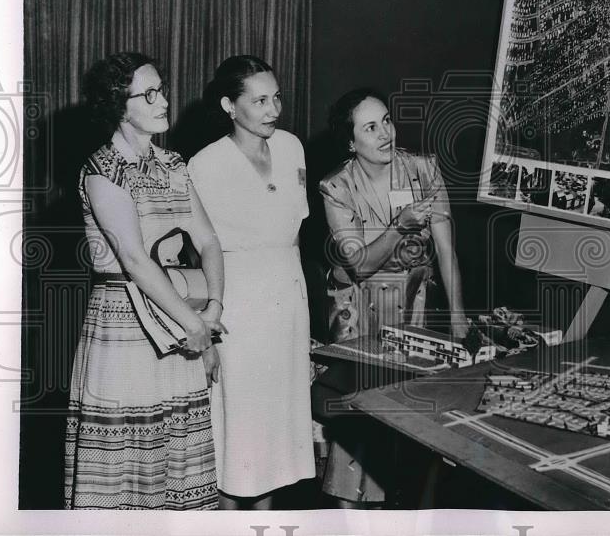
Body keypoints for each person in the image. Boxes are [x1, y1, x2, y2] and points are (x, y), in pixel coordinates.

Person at [65, 52, 226, 510]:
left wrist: (212, 310)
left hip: (178, 318)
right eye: (149, 94)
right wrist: (195, 327)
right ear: (119, 105)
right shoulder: (103, 170)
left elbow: (210, 241)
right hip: (124, 326)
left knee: (178, 461)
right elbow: (134, 260)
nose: (164, 101)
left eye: (162, 90)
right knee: (126, 468)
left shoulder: (174, 163)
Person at [319, 87, 469, 506]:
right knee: (360, 416)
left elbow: (446, 249)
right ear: (351, 142)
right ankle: (347, 515)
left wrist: (459, 316)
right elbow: (360, 266)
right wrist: (400, 226)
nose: (386, 132)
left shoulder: (424, 170)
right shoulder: (335, 186)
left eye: (387, 120)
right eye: (370, 126)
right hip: (357, 306)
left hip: (411, 304)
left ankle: (393, 509)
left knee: (405, 411)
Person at [188, 55, 315, 510]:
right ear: (228, 105)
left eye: (276, 97)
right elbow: (199, 254)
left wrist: (300, 304)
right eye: (258, 100)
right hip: (237, 309)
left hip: (287, 302)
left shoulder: (292, 148)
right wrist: (207, 334)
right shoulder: (204, 165)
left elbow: (295, 231)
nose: (272, 109)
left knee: (276, 438)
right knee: (239, 434)